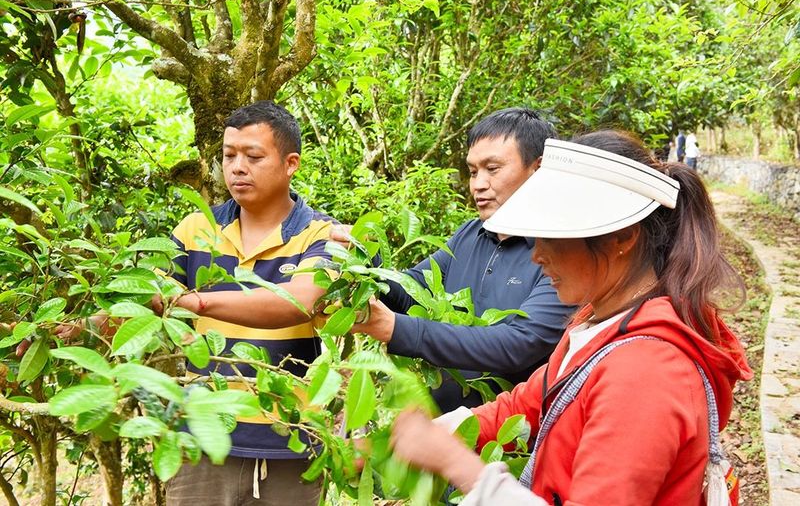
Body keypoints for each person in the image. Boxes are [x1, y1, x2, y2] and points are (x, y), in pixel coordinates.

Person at [389, 131, 752, 505]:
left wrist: (457, 465)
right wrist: (430, 436)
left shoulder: (645, 372)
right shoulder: (598, 321)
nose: (537, 255)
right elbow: (528, 405)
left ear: (622, 237)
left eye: (553, 237)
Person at [343, 108, 574, 412]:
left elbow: (520, 342)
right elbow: (411, 288)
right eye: (473, 171)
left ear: (537, 170)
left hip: (510, 443)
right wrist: (360, 257)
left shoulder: (565, 251)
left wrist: (396, 329)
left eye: (493, 169)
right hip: (442, 434)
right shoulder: (472, 233)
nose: (477, 184)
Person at [162, 101, 333, 505]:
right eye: (229, 155)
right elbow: (148, 299)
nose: (237, 167)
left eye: (253, 156)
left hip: (287, 441)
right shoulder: (195, 229)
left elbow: (296, 302)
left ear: (291, 163)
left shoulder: (320, 235)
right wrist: (86, 324)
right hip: (201, 437)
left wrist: (194, 301)